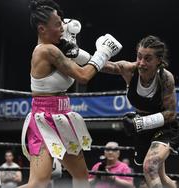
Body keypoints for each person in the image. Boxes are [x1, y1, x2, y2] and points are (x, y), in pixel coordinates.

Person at [19, 0, 122, 188]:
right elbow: (84, 76)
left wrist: (123, 66)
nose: (62, 28)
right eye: (57, 25)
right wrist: (104, 52)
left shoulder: (59, 47)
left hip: (62, 117)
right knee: (38, 183)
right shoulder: (47, 51)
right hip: (44, 120)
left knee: (81, 176)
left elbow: (87, 62)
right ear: (42, 29)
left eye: (62, 23)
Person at [101, 35, 179, 188]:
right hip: (142, 129)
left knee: (149, 167)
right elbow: (104, 66)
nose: (142, 63)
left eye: (148, 58)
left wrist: (141, 122)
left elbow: (171, 113)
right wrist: (75, 54)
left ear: (159, 60)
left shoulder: (165, 78)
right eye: (139, 57)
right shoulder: (129, 70)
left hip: (164, 127)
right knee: (161, 176)